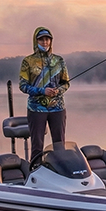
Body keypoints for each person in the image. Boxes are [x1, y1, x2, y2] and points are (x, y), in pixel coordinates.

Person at [19, 27, 70, 161]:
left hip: (58, 107)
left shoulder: (59, 61)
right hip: (36, 108)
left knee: (59, 144)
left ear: (51, 41)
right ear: (36, 41)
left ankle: (60, 171)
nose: (45, 42)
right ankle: (35, 171)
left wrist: (58, 91)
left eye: (47, 39)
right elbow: (23, 86)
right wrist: (42, 91)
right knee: (37, 145)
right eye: (41, 39)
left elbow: (66, 83)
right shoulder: (28, 61)